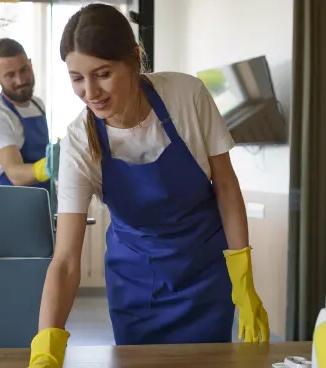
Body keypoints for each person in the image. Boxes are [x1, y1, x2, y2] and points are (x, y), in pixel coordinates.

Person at [28, 4, 270, 367]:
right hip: (136, 283)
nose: (90, 91)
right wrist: (47, 347)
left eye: (103, 73)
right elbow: (64, 261)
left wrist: (244, 280)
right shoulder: (80, 140)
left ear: (134, 60)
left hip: (204, 272)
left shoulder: (186, 95)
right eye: (77, 78)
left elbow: (225, 185)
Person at [0, 38, 59, 190]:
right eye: (10, 75)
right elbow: (15, 175)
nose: (20, 80)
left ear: (30, 64)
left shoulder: (37, 104)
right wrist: (49, 166)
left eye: (24, 70)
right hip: (8, 205)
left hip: (41, 197)